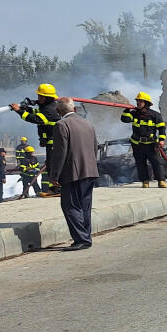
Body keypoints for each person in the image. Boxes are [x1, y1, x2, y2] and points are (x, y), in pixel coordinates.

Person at [48, 99, 99, 251]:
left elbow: (59, 153)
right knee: (85, 206)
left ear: (58, 111)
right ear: (74, 109)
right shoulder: (87, 124)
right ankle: (85, 236)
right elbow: (95, 147)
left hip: (73, 173)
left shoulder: (61, 125)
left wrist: (54, 176)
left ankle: (81, 239)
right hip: (90, 171)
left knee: (70, 206)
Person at [9, 83, 61, 196]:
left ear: (47, 97)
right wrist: (27, 108)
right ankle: (55, 189)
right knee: (51, 165)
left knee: (53, 165)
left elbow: (36, 118)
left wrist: (19, 111)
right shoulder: (48, 107)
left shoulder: (49, 110)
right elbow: (36, 112)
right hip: (51, 142)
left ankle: (57, 189)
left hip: (54, 142)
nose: (38, 98)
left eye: (40, 96)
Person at [120, 91, 167, 188]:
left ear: (146, 103)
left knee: (156, 163)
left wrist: (161, 139)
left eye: (140, 101)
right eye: (137, 101)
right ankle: (145, 181)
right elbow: (125, 120)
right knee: (140, 164)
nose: (138, 103)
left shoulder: (155, 115)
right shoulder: (134, 114)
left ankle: (161, 181)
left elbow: (162, 128)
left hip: (151, 144)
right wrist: (126, 111)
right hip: (137, 144)